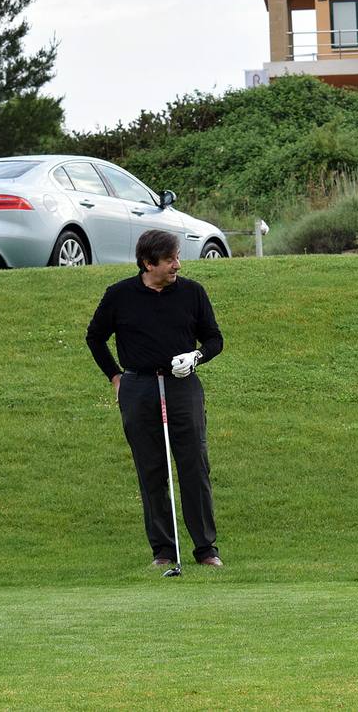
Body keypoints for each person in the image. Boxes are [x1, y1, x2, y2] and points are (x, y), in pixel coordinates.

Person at [86, 229, 224, 567]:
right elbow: (95, 337)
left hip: (183, 387)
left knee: (194, 466)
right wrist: (116, 376)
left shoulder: (192, 293)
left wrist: (197, 357)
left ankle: (206, 549)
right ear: (148, 263)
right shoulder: (119, 295)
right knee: (151, 470)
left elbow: (214, 338)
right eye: (170, 260)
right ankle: (163, 551)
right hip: (139, 388)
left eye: (177, 257)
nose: (178, 265)